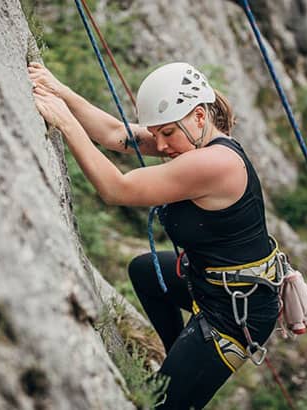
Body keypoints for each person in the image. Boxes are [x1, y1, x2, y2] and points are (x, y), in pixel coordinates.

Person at [29, 61, 280, 409]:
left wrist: (65, 122)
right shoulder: (189, 138)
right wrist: (59, 89)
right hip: (209, 282)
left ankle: (187, 368)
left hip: (235, 312)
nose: (160, 146)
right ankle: (181, 355)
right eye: (156, 133)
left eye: (167, 134)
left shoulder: (214, 163)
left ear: (199, 117)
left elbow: (117, 189)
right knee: (145, 272)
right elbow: (115, 132)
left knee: (156, 403)